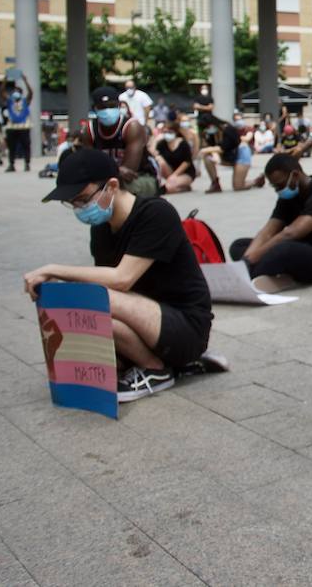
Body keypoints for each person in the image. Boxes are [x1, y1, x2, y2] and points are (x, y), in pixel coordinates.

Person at [25, 148, 215, 402]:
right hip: (145, 320)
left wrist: (53, 269)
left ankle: (156, 371)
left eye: (82, 199)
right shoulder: (102, 228)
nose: (78, 208)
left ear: (111, 185)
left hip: (185, 327)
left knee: (93, 296)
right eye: (72, 203)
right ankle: (151, 362)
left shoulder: (156, 213)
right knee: (84, 305)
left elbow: (121, 279)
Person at [228, 153, 312, 287]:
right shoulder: (288, 197)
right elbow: (268, 231)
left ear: (295, 175)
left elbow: (291, 233)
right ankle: (262, 271)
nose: (278, 190)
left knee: (284, 249)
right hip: (304, 249)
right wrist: (247, 259)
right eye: (275, 187)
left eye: (279, 185)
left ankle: (246, 278)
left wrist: (251, 261)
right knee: (239, 246)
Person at [76, 86, 159, 198]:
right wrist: (117, 169)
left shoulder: (131, 127)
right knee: (85, 188)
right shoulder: (89, 130)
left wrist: (99, 168)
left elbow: (129, 172)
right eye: (102, 107)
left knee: (115, 190)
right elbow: (88, 167)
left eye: (112, 106)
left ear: (119, 105)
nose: (107, 111)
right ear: (94, 109)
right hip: (107, 179)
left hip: (140, 178)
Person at [200, 117, 254, 193]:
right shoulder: (211, 134)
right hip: (227, 156)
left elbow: (224, 147)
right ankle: (215, 183)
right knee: (207, 157)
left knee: (238, 186)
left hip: (241, 154)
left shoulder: (228, 129)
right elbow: (212, 147)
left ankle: (255, 181)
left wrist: (205, 150)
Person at [3, 72, 34, 172]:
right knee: (11, 146)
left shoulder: (25, 101)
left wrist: (25, 81)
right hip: (12, 127)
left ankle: (27, 164)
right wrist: (5, 80)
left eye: (17, 91)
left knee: (26, 146)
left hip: (24, 126)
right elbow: (1, 92)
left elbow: (31, 93)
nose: (15, 94)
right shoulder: (10, 101)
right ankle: (11, 164)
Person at [153, 125, 197, 195]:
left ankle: (184, 187)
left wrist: (174, 175)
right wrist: (155, 140)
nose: (167, 134)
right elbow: (153, 154)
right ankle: (157, 182)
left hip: (185, 173)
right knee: (159, 160)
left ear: (175, 132)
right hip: (170, 171)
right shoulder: (161, 144)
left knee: (169, 187)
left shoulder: (183, 144)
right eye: (165, 132)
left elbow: (187, 162)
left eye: (169, 132)